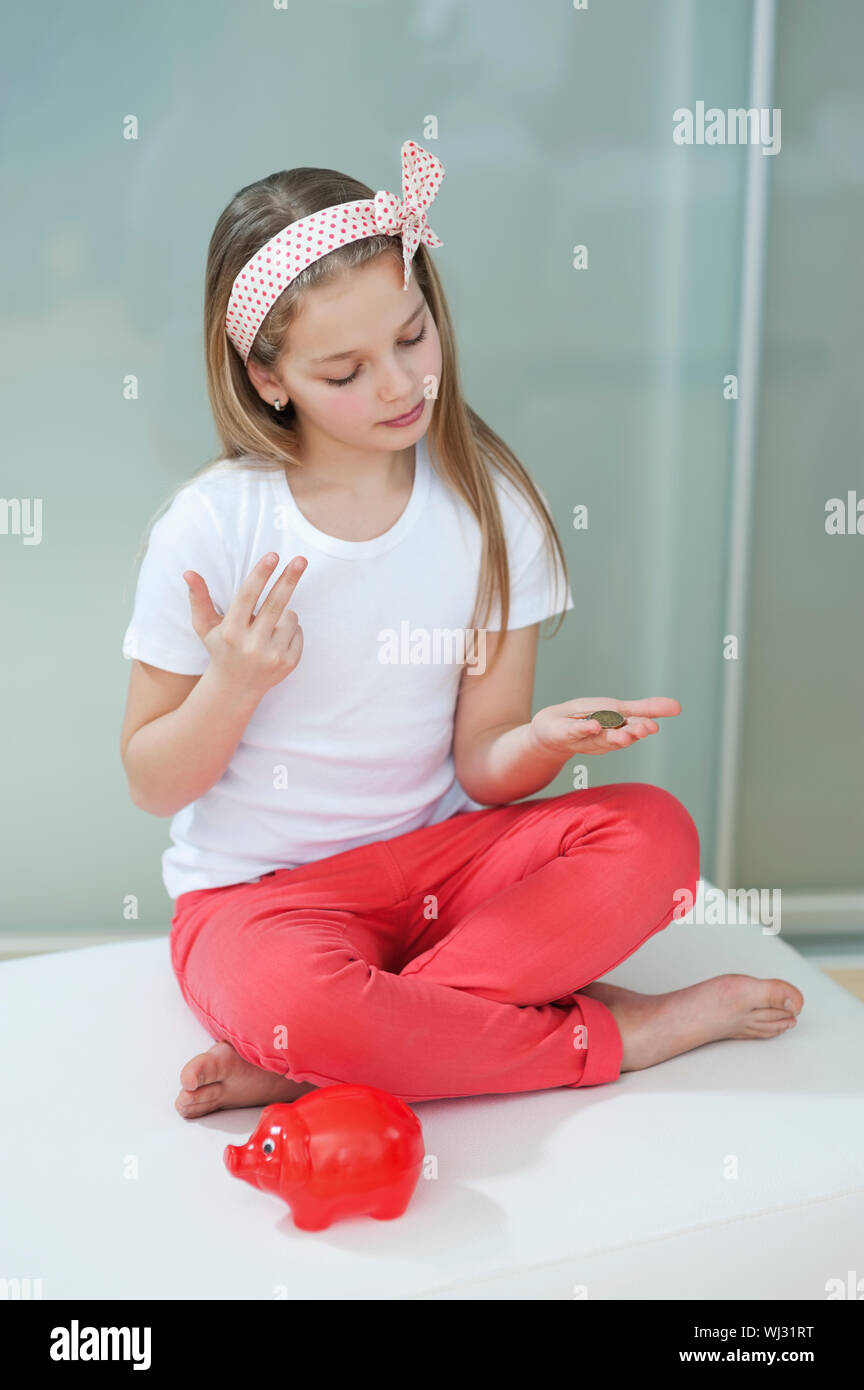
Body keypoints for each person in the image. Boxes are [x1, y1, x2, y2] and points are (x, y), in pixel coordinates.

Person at [119, 140, 803, 1118]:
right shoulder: (215, 523)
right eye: (345, 370)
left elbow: (484, 765)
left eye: (412, 336)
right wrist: (230, 686)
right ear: (271, 380)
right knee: (289, 996)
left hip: (447, 864)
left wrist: (538, 741)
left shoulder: (492, 507)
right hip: (262, 899)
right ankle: (612, 1032)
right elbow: (152, 780)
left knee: (657, 834)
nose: (398, 386)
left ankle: (331, 1056)